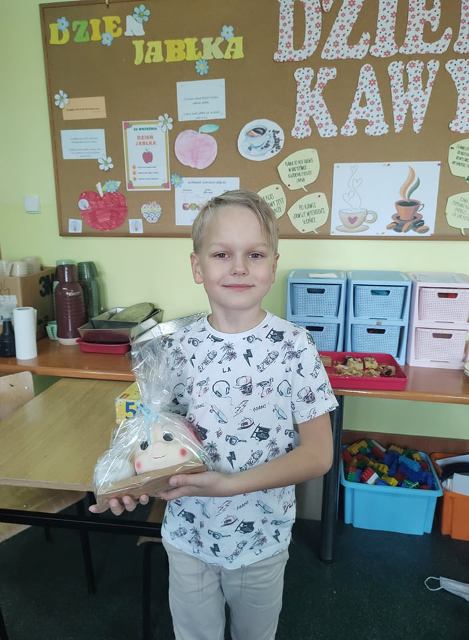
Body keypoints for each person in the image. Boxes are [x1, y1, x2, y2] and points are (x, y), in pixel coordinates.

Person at [91, 189, 338, 640]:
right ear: (197, 266)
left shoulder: (294, 346)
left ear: (273, 265)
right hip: (189, 535)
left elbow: (319, 454)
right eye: (222, 254)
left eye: (255, 254)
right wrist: (129, 481)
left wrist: (228, 485)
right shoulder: (173, 349)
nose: (239, 267)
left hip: (261, 538)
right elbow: (159, 438)